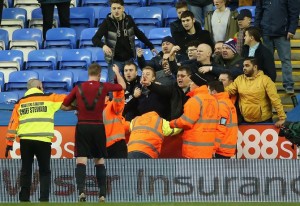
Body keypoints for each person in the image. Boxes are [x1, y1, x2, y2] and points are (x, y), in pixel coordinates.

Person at [62, 63, 126, 202]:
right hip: (97, 126)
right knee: (99, 160)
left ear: (88, 74)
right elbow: (123, 86)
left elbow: (63, 105)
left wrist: (76, 106)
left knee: (81, 159)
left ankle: (81, 192)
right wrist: (117, 72)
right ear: (99, 75)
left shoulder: (78, 88)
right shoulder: (103, 86)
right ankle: (102, 194)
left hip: (82, 126)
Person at [5, 79, 73, 202]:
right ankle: (44, 199)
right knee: (44, 171)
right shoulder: (49, 98)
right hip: (43, 140)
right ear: (39, 86)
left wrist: (9, 142)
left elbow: (13, 123)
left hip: (26, 140)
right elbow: (69, 99)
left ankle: (24, 199)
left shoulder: (21, 102)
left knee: (26, 170)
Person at [92, 0, 156, 84]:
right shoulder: (107, 22)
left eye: (119, 8)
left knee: (132, 83)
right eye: (114, 8)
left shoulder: (129, 20)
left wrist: (151, 46)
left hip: (129, 59)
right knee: (113, 84)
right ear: (111, 10)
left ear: (123, 8)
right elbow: (95, 39)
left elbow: (139, 34)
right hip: (114, 60)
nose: (116, 11)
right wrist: (103, 46)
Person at [255, 0, 300, 94]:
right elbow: (258, 11)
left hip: (282, 33)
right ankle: (267, 85)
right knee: (266, 61)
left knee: (286, 60)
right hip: (266, 32)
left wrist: (292, 29)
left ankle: (288, 86)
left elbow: (294, 12)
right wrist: (257, 30)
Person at [170, 73, 219, 158]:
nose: (190, 84)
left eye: (192, 82)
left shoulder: (194, 101)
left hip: (194, 149)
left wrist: (171, 123)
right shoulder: (214, 100)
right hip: (208, 149)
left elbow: (186, 122)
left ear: (197, 85)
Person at [226, 57, 286, 127]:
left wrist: (282, 118)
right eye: (243, 66)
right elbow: (227, 91)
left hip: (264, 121)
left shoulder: (266, 80)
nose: (244, 68)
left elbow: (275, 99)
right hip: (245, 120)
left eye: (247, 66)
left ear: (255, 67)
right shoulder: (239, 79)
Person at [208, 81, 238, 159]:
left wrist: (213, 148)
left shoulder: (221, 106)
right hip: (226, 146)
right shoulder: (228, 102)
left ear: (213, 91)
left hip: (221, 149)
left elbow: (221, 128)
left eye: (208, 91)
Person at [103, 90, 128, 158]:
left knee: (119, 168)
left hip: (116, 146)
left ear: (107, 97)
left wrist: (118, 85)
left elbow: (118, 96)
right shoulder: (93, 111)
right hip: (101, 148)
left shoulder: (112, 106)